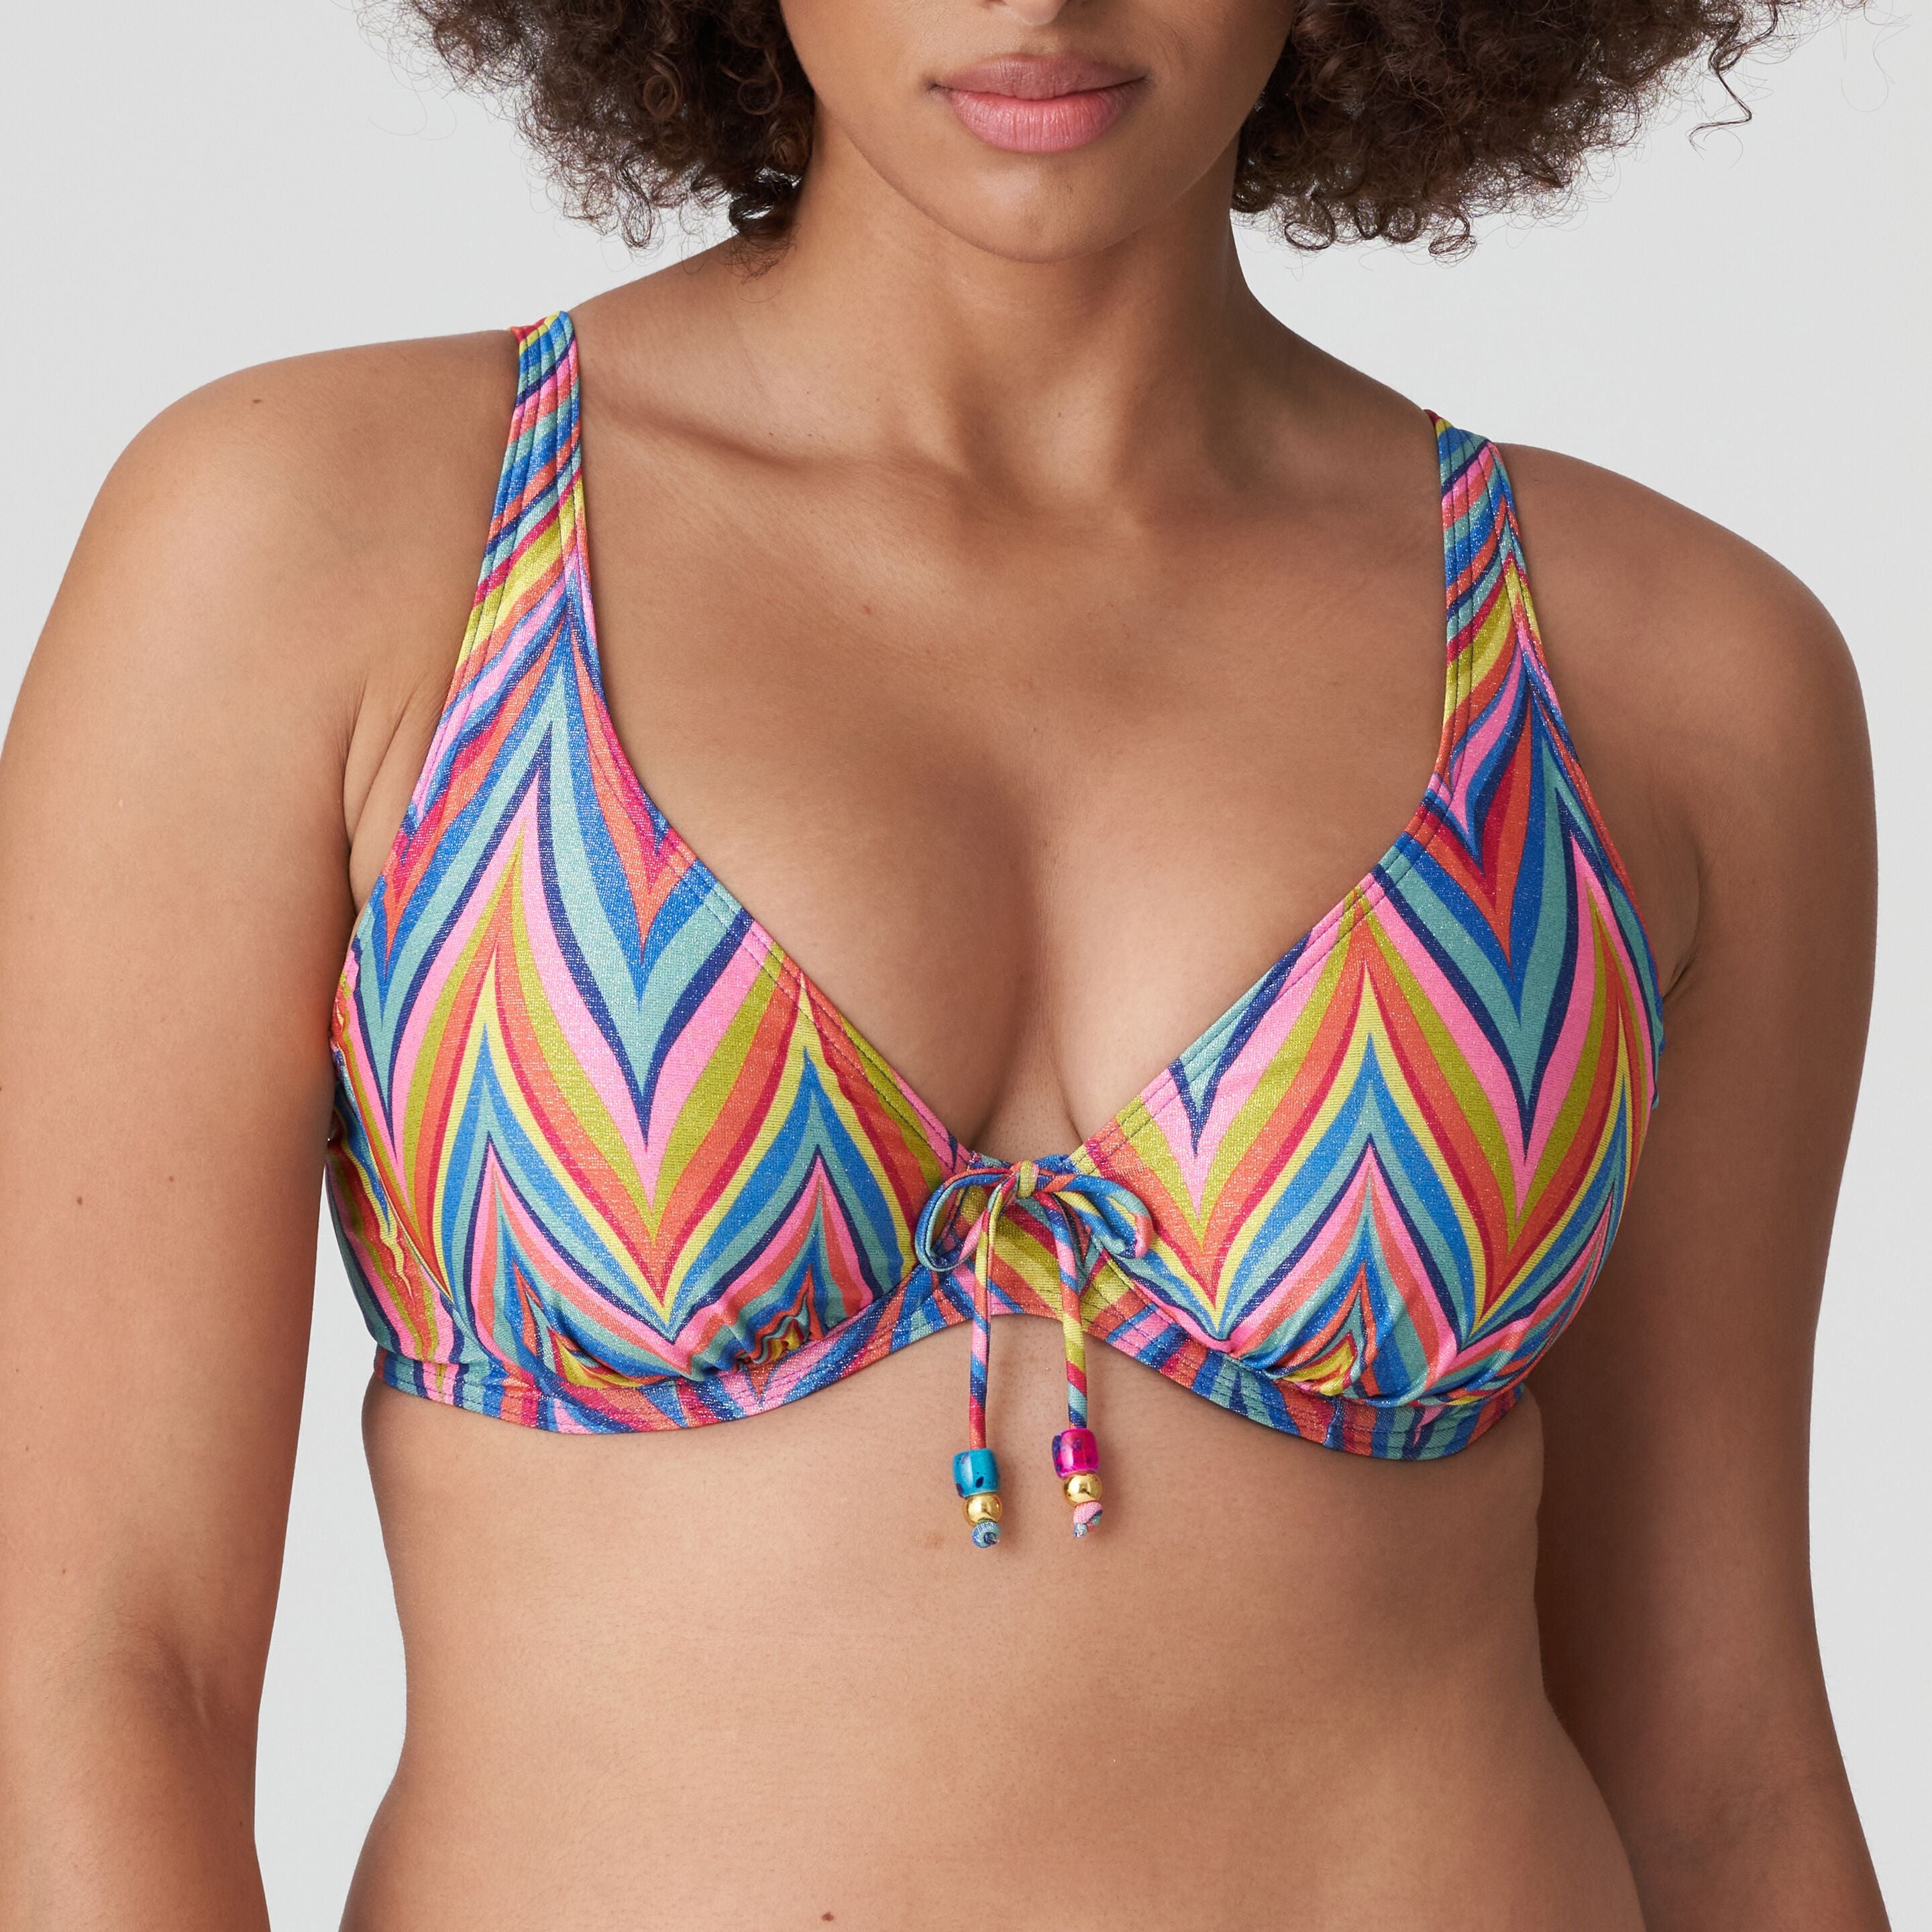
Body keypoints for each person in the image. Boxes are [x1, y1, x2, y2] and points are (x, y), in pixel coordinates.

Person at [0, 0, 1891, 1925]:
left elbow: (1722, 1776)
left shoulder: (1675, 672)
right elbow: (107, 1683)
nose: (1038, 1)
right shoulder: (321, 542)